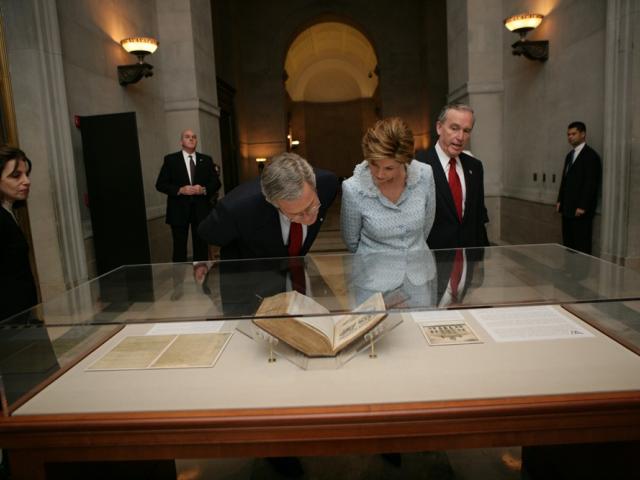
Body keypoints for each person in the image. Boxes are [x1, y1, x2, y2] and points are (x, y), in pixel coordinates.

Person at [198, 151, 338, 260]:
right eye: (296, 214)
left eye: (311, 205)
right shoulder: (236, 209)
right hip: (249, 280)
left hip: (297, 273)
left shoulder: (328, 185)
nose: (308, 218)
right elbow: (207, 234)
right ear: (273, 202)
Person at [341, 117, 436, 253]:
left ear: (404, 161)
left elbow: (425, 229)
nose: (379, 174)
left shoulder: (425, 174)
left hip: (419, 269)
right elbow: (351, 242)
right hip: (373, 271)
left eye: (389, 168)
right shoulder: (353, 188)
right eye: (374, 164)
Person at [416, 103, 489, 249]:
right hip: (433, 259)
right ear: (439, 127)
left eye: (466, 131)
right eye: (454, 128)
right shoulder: (418, 165)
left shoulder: (475, 167)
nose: (460, 137)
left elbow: (479, 219)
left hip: (468, 259)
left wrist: (483, 260)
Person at [156, 129, 221, 262]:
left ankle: (201, 280)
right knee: (179, 249)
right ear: (181, 142)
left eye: (194, 137)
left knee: (201, 248)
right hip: (178, 211)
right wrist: (180, 190)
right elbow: (160, 184)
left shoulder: (206, 160)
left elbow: (216, 183)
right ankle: (179, 282)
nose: (191, 139)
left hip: (201, 211)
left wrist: (203, 189)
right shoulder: (171, 160)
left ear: (196, 141)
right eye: (187, 137)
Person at [0, 146, 38, 321]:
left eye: (26, 174)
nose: (26, 181)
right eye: (16, 176)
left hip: (21, 315)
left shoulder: (9, 211)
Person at [556, 121, 601, 255]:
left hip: (581, 210)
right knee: (568, 241)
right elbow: (565, 180)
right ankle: (569, 269)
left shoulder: (591, 156)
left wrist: (582, 206)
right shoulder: (569, 155)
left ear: (583, 134)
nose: (570, 137)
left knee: (580, 242)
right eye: (568, 134)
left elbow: (591, 184)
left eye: (573, 134)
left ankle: (580, 274)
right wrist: (560, 200)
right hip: (567, 207)